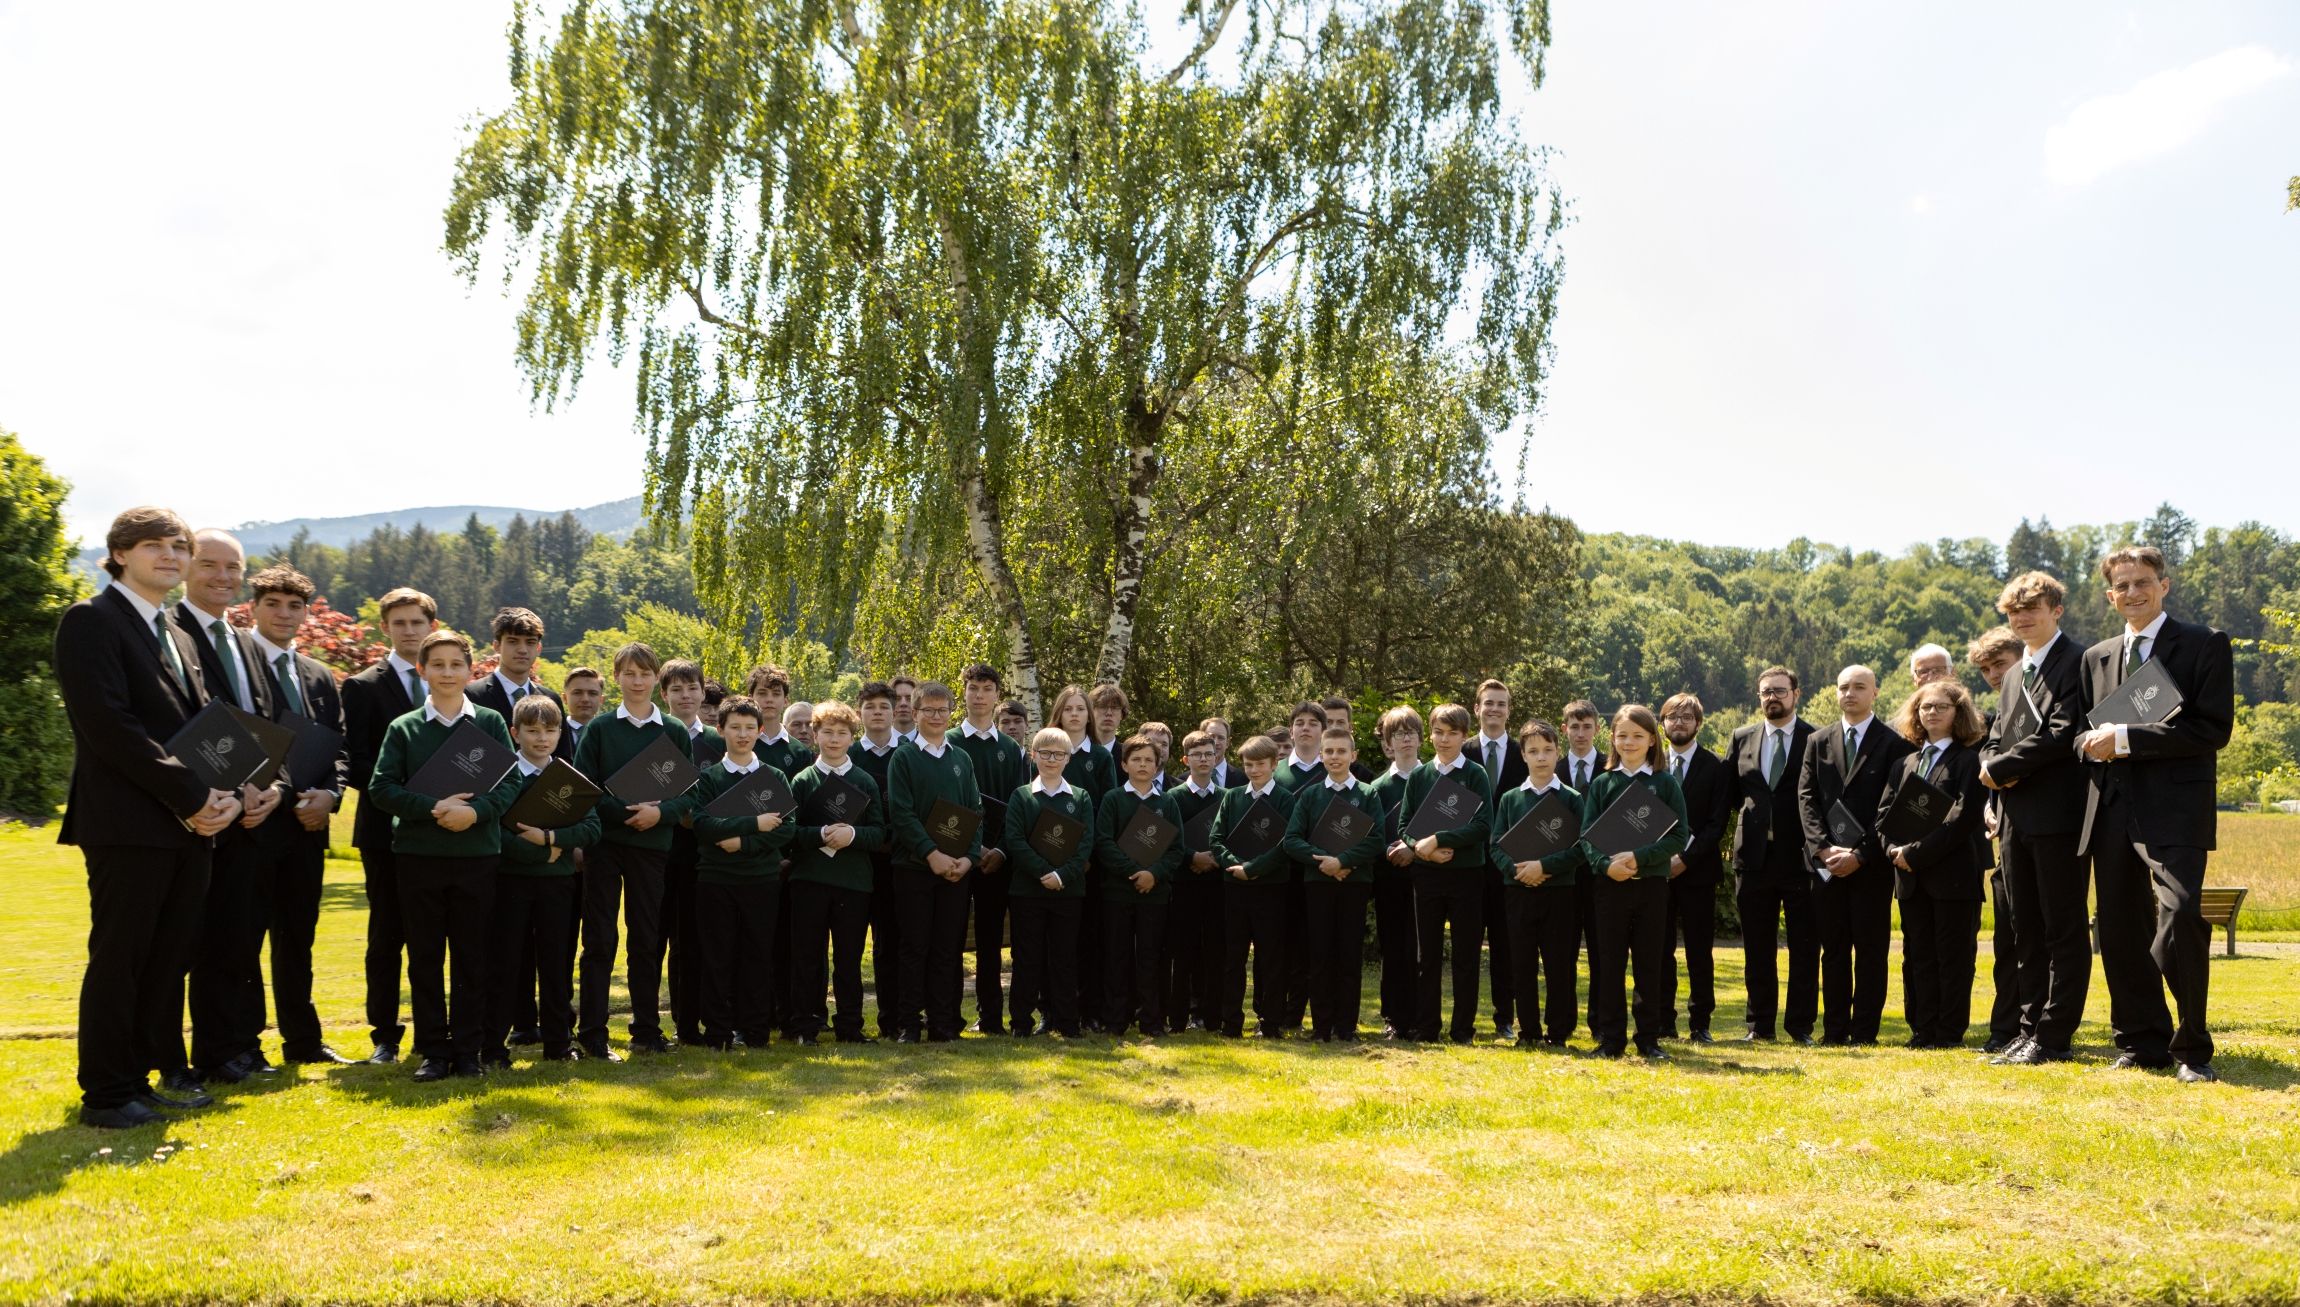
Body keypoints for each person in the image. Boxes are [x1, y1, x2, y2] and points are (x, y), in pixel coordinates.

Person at [54, 507, 241, 1127]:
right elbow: (111, 728)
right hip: (129, 823)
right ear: (120, 553)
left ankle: (139, 1079)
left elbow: (202, 731)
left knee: (167, 959)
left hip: (191, 825)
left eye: (178, 547)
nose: (171, 556)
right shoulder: (91, 621)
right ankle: (106, 1094)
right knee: (122, 957)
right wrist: (192, 797)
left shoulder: (179, 634)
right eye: (155, 546)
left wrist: (226, 794)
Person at [2075, 545, 2234, 1083]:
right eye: (2122, 585)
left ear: (2164, 585)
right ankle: (2141, 1041)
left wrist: (2124, 736)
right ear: (2109, 594)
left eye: (2143, 582)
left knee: (2182, 914)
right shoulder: (2095, 657)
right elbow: (2082, 732)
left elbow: (2212, 729)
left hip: (2175, 808)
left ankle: (2192, 1049)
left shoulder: (2201, 644)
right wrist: (2090, 743)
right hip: (2110, 808)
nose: (2133, 593)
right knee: (2119, 930)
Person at [367, 629, 524, 1081]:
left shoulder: (491, 722)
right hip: (419, 858)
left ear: (470, 669)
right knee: (425, 958)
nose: (448, 673)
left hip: (478, 856)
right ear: (422, 671)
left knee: (474, 957)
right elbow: (382, 788)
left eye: (456, 664)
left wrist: (475, 814)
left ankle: (469, 1051)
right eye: (438, 665)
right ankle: (434, 1050)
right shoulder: (405, 727)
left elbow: (510, 782)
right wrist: (433, 809)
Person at [174, 528, 290, 1084]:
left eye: (233, 567)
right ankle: (197, 1056)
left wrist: (275, 788)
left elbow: (269, 726)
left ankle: (240, 1048)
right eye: (210, 564)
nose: (223, 576)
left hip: (253, 816)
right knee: (193, 943)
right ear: (187, 567)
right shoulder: (168, 633)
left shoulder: (245, 642)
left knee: (240, 940)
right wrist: (214, 790)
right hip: (196, 811)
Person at [1979, 571, 2092, 1067]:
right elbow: (1997, 733)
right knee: (2024, 929)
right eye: (2013, 613)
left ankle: (2054, 1037)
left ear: (2056, 611)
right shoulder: (2016, 673)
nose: (2022, 619)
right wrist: (1987, 765)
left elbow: (2063, 732)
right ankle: (2027, 1031)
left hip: (2060, 816)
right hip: (2014, 820)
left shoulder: (2078, 662)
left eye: (2032, 609)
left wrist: (1998, 770)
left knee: (2062, 929)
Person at [244, 566, 352, 1067]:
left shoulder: (317, 675)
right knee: (241, 940)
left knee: (297, 939)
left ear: (307, 613)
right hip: (252, 823)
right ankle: (242, 1047)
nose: (284, 614)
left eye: (294, 606)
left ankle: (303, 1042)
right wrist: (285, 797)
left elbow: (338, 748)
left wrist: (332, 795)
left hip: (309, 827)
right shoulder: (239, 667)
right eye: (273, 604)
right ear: (254, 607)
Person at [571, 642, 700, 1059]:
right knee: (599, 941)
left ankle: (645, 1030)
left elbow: (689, 794)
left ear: (654, 678)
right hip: (605, 847)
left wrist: (659, 813)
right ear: (618, 678)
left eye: (645, 673)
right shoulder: (600, 729)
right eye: (630, 673)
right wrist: (628, 812)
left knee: (646, 940)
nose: (638, 680)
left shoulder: (674, 731)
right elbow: (584, 789)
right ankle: (592, 1034)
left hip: (652, 848)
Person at [341, 585, 438, 1064]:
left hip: (446, 832)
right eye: (399, 623)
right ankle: (384, 1035)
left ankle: (435, 1031)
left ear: (432, 627)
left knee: (437, 935)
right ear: (385, 628)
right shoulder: (362, 686)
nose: (409, 631)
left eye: (417, 622)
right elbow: (356, 762)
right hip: (384, 830)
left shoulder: (452, 684)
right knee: (387, 936)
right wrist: (415, 787)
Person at [466, 606, 569, 1049]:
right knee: (504, 953)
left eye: (530, 643)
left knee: (552, 953)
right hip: (497, 838)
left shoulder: (549, 697)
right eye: (513, 642)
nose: (522, 650)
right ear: (497, 646)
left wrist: (555, 840)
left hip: (552, 853)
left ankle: (548, 1033)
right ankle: (497, 1036)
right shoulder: (474, 696)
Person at [1798, 664, 1916, 1046]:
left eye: (1859, 687)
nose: (1850, 693)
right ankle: (1834, 1031)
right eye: (1844, 687)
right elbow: (1806, 798)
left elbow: (1896, 808)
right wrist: (1822, 848)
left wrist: (1861, 854)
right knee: (1832, 951)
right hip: (1826, 866)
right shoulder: (1817, 741)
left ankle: (1865, 1031)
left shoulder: (1895, 744)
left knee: (1870, 951)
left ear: (1875, 693)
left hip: (1871, 866)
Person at [488, 694, 599, 1063]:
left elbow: (592, 828)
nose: (541, 738)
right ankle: (493, 1046)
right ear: (514, 733)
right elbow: (495, 833)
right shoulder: (502, 776)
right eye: (532, 731)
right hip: (512, 882)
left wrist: (553, 840)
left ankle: (558, 1043)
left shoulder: (568, 778)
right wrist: (541, 852)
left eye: (550, 731)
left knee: (556, 964)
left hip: (557, 884)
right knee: (505, 963)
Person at [1878, 680, 1989, 1048]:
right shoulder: (1904, 763)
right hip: (1909, 879)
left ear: (1959, 713)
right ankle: (1921, 1029)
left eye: (1942, 707)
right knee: (1917, 957)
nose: (1932, 713)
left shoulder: (1967, 761)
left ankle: (1946, 1032)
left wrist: (1915, 853)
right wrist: (1894, 850)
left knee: (1953, 958)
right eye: (1926, 707)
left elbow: (1962, 818)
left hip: (1953, 877)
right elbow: (1883, 817)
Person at [1577, 705, 1690, 1060]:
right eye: (1622, 735)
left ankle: (1648, 1039)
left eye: (1638, 735)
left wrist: (1640, 859)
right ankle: (1611, 1040)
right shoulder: (1602, 783)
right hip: (1610, 887)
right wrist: (1605, 865)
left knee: (1648, 963)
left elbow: (1678, 836)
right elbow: (1586, 837)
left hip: (1652, 887)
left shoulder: (1664, 784)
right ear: (1611, 738)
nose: (1629, 742)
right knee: (1609, 963)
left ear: (1652, 740)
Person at [689, 695, 797, 1050]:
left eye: (750, 728)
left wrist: (744, 844)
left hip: (761, 881)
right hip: (716, 880)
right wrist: (753, 824)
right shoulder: (709, 777)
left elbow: (785, 828)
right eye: (734, 727)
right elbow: (703, 824)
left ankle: (755, 1032)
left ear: (760, 730)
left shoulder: (774, 776)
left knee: (757, 956)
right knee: (717, 958)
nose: (742, 734)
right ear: (720, 730)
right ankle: (718, 1033)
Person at [885, 681, 983, 1043]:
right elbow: (902, 814)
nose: (937, 716)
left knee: (947, 949)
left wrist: (969, 859)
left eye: (943, 710)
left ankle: (944, 1024)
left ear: (951, 713)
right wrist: (932, 854)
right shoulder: (904, 757)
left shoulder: (962, 759)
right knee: (914, 948)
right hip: (915, 868)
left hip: (957, 872)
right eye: (929, 710)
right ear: (915, 713)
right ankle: (910, 1024)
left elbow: (976, 811)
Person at [1390, 703, 1492, 1044]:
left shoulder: (1475, 774)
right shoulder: (1420, 776)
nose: (1444, 739)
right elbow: (1404, 826)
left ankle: (1463, 1029)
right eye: (1438, 732)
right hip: (1427, 876)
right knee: (1427, 956)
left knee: (1465, 955)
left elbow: (1483, 824)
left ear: (1464, 736)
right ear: (1430, 734)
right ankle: (1427, 1027)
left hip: (1467, 875)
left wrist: (1442, 839)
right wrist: (1426, 849)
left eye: (1452, 733)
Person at [785, 700, 886, 1044]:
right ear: (814, 735)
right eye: (827, 732)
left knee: (848, 959)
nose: (834, 739)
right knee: (807, 958)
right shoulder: (801, 781)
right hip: (809, 881)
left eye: (842, 733)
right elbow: (789, 833)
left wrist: (852, 835)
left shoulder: (864, 782)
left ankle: (849, 1027)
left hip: (853, 883)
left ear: (851, 738)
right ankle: (805, 1026)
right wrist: (820, 835)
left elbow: (880, 834)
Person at [1727, 667, 1818, 1043]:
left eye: (1780, 691)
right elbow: (1732, 794)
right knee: (1757, 947)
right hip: (1753, 857)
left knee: (1804, 947)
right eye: (1765, 692)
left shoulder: (1816, 738)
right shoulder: (1742, 737)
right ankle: (1759, 1026)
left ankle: (1800, 1027)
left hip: (1800, 857)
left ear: (1796, 694)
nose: (1772, 698)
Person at [1281, 725, 1385, 1042]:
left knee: (1349, 955)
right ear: (1322, 755)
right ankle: (1321, 1026)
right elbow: (1291, 840)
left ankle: (1346, 1027)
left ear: (1353, 755)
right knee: (1321, 956)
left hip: (1355, 884)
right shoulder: (1312, 796)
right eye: (1329, 751)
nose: (1335, 757)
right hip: (1318, 884)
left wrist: (1343, 862)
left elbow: (1377, 840)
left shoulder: (1368, 795)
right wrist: (1324, 861)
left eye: (1342, 751)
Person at [1491, 720, 1581, 1048]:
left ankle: (1558, 1032)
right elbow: (1496, 845)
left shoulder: (1571, 798)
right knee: (1522, 963)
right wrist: (1519, 872)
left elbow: (1580, 847)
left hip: (1559, 893)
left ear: (1558, 753)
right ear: (1523, 756)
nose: (1541, 757)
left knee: (1559, 964)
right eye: (1533, 751)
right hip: (1519, 893)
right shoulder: (1511, 800)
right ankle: (1528, 1031)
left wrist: (1544, 867)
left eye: (1547, 750)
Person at [1006, 727, 1097, 1038]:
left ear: (1068, 759)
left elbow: (1085, 843)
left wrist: (1061, 875)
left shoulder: (1081, 798)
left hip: (1068, 891)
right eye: (1044, 753)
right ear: (1034, 756)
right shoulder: (1021, 796)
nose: (1051, 759)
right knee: (1027, 957)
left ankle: (1067, 1021)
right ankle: (1021, 1023)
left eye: (1058, 754)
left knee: (1064, 958)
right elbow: (1015, 841)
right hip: (1027, 891)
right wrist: (1044, 871)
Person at [1095, 735, 1183, 1037]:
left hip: (1154, 894)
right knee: (1116, 957)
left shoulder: (1167, 802)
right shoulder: (1113, 800)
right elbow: (1103, 843)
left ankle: (1152, 1021)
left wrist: (1153, 875)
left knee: (1151, 958)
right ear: (1124, 764)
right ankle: (1115, 1020)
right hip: (1117, 893)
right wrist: (1134, 872)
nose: (1143, 764)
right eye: (1136, 759)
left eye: (1148, 759)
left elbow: (1176, 849)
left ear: (1158, 765)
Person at [954, 664, 1025, 1035]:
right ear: (963, 692)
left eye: (987, 688)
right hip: (955, 857)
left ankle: (992, 1017)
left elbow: (1018, 806)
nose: (979, 695)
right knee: (949, 939)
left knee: (990, 942)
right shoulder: (947, 740)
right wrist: (969, 847)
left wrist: (998, 850)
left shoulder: (1011, 749)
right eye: (973, 688)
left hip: (997, 860)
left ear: (997, 694)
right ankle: (948, 1015)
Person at [1964, 625, 2025, 1053]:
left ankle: (2034, 1028)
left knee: (2035, 941)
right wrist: (1990, 805)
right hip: (2004, 839)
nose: (1992, 675)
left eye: (1999, 664)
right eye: (1985, 669)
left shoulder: (2034, 701)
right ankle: (2004, 1029)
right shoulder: (2000, 709)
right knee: (2006, 941)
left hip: (2042, 835)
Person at [1211, 735, 1296, 1038]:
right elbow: (1216, 839)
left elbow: (1287, 843)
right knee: (1232, 958)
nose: (1254, 770)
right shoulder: (1233, 797)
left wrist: (1254, 869)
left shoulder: (1286, 799)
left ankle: (1270, 1023)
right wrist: (1236, 865)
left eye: (1261, 764)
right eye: (1248, 764)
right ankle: (1230, 1022)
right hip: (1235, 887)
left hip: (1271, 888)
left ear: (1275, 764)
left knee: (1271, 958)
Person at [1658, 693, 1731, 1043]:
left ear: (1698, 723)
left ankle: (1700, 1023)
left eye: (1687, 717)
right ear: (1663, 723)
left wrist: (1684, 858)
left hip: (1697, 872)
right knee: (1659, 949)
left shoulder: (1716, 766)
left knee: (1699, 951)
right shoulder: (1652, 764)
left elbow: (1717, 824)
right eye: (1672, 717)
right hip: (1657, 871)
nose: (1679, 723)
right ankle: (1663, 1020)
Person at [1468, 679, 1524, 1041]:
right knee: (1468, 946)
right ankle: (1464, 1019)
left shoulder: (1523, 753)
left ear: (1508, 710)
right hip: (1468, 865)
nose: (1494, 709)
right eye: (1488, 703)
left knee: (1507, 946)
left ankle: (1505, 1018)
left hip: (1508, 866)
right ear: (1477, 708)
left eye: (1501, 704)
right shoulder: (1461, 751)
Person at [1163, 730, 1227, 1032]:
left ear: (1216, 758)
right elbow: (1167, 841)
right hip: (1183, 884)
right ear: (1185, 759)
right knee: (1183, 953)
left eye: (1209, 754)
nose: (1204, 759)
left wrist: (1213, 859)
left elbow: (1230, 838)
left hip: (1217, 886)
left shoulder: (1227, 798)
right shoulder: (1171, 798)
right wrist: (1192, 858)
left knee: (1215, 952)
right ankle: (1177, 1018)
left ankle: (1212, 1017)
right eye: (1197, 754)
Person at [852, 680, 906, 1038]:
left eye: (883, 707)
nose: (877, 713)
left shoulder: (910, 751)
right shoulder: (848, 754)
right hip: (856, 861)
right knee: (851, 945)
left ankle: (892, 1021)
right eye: (869, 707)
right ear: (860, 713)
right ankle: (850, 1022)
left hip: (899, 862)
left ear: (894, 711)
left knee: (893, 945)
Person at [1368, 705, 1424, 1039]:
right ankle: (1393, 1018)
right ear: (1388, 742)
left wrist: (1415, 851)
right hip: (1389, 878)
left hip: (1424, 877)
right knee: (1392, 948)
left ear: (1421, 738)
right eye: (1397, 734)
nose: (1404, 739)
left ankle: (1420, 1017)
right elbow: (1373, 835)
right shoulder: (1376, 787)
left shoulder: (1433, 779)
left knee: (1419, 949)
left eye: (1410, 733)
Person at [1558, 699, 1607, 1036]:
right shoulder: (1552, 767)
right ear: (1564, 730)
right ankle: (1562, 1024)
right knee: (1562, 953)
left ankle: (1601, 1024)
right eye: (1574, 726)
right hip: (1561, 875)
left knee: (1602, 954)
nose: (1580, 733)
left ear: (1598, 729)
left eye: (1586, 726)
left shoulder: (1612, 768)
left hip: (1601, 875)